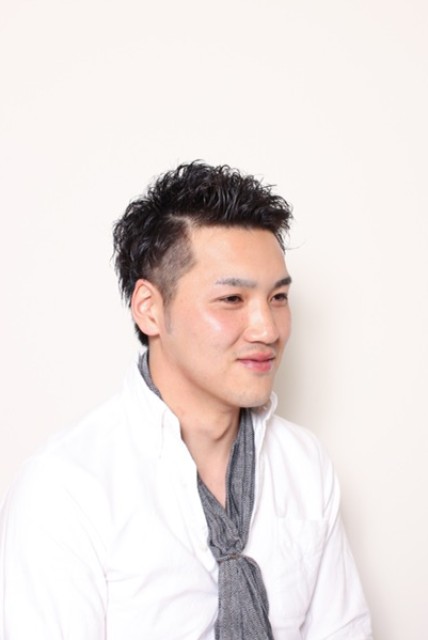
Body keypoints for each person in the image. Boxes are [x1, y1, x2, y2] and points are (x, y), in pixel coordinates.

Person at [0, 161, 372, 639]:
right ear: (149, 309)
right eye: (232, 300)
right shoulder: (68, 488)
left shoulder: (303, 462)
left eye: (278, 298)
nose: (267, 329)